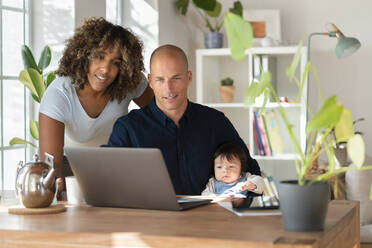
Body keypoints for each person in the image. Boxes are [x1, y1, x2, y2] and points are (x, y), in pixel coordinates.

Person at [106, 44, 261, 195]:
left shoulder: (216, 122)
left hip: (210, 219)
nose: (169, 89)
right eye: (160, 79)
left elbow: (252, 172)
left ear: (188, 78)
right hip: (152, 219)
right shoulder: (127, 128)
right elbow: (109, 184)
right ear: (150, 81)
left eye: (176, 78)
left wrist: (236, 198)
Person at [39, 17, 153, 194]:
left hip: (116, 165)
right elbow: (51, 164)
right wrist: (56, 191)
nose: (105, 70)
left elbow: (161, 114)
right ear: (83, 55)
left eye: (115, 62)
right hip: (70, 170)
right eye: (99, 57)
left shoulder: (128, 81)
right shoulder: (59, 94)